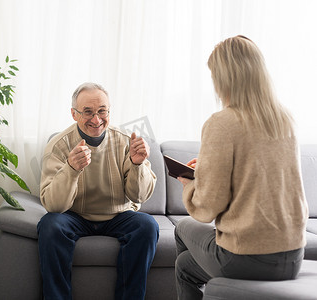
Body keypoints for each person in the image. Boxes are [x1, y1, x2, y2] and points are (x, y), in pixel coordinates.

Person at [174, 35, 308, 299]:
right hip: (293, 257)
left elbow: (207, 207)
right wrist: (211, 167)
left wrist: (190, 185)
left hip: (246, 258)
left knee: (181, 228)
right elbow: (260, 171)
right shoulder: (284, 119)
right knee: (184, 267)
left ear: (224, 79)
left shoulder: (222, 122)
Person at [37, 82, 159, 300]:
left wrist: (137, 164)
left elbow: (139, 196)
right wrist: (71, 169)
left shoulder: (125, 141)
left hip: (117, 215)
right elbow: (53, 206)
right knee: (49, 225)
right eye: (88, 112)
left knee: (148, 225)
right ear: (74, 114)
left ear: (109, 111)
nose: (96, 119)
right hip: (75, 217)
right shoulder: (58, 145)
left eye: (102, 111)